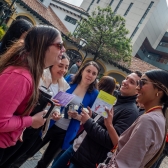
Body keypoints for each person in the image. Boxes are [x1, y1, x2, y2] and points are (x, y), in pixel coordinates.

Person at [0, 25, 66, 165]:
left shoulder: (29, 72)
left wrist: (18, 128)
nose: (63, 50)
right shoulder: (22, 76)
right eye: (59, 45)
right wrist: (31, 121)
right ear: (43, 45)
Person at [51, 71, 141, 168]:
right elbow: (101, 122)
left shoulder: (131, 112)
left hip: (87, 158)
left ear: (137, 90)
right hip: (77, 146)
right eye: (126, 78)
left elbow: (111, 142)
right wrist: (91, 116)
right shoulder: (115, 100)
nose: (125, 82)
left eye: (131, 82)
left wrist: (88, 121)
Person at [33, 61, 100, 168]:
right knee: (31, 150)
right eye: (88, 71)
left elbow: (89, 118)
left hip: (65, 132)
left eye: (94, 73)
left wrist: (77, 116)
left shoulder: (95, 94)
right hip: (50, 122)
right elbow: (57, 96)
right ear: (82, 70)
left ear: (96, 76)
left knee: (45, 162)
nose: (90, 75)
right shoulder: (70, 79)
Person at [102, 69, 168, 168]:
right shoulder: (156, 118)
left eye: (143, 83)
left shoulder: (149, 120)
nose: (138, 87)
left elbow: (125, 165)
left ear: (159, 90)